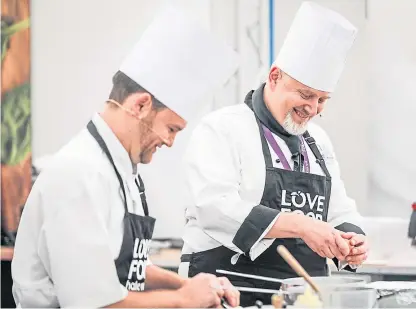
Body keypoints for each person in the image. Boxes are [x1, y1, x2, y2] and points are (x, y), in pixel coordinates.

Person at [11, 6, 241, 308]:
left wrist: (185, 283)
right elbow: (92, 303)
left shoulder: (120, 170)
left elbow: (123, 268)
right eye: (171, 129)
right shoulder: (78, 175)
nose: (170, 142)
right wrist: (182, 299)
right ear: (141, 105)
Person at [179, 1, 369, 306]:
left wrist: (350, 240)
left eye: (322, 99)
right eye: (305, 94)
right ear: (275, 76)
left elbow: (339, 210)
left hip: (301, 297)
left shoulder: (318, 141)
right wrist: (302, 225)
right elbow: (213, 207)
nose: (313, 108)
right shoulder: (221, 128)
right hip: (230, 291)